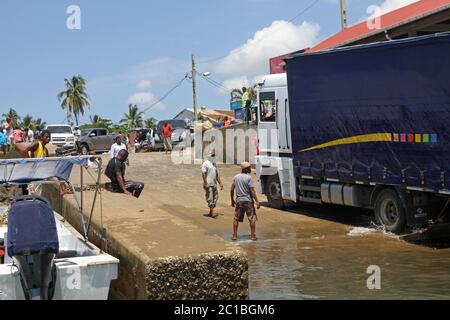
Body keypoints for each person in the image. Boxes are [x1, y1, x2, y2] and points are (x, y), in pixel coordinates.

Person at [230, 161, 260, 241]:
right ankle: (253, 236)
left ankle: (234, 236)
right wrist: (257, 201)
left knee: (236, 218)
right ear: (246, 169)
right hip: (248, 201)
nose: (250, 169)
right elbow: (252, 191)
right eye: (249, 168)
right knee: (252, 218)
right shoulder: (248, 178)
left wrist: (232, 200)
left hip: (239, 201)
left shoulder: (236, 177)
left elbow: (232, 189)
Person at [201, 151, 223, 218]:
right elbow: (203, 174)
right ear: (209, 156)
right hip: (208, 184)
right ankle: (212, 213)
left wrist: (220, 183)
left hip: (214, 184)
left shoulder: (214, 164)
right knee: (210, 198)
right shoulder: (205, 163)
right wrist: (205, 183)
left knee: (215, 198)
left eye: (214, 156)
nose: (213, 157)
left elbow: (217, 175)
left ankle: (210, 212)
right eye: (212, 156)